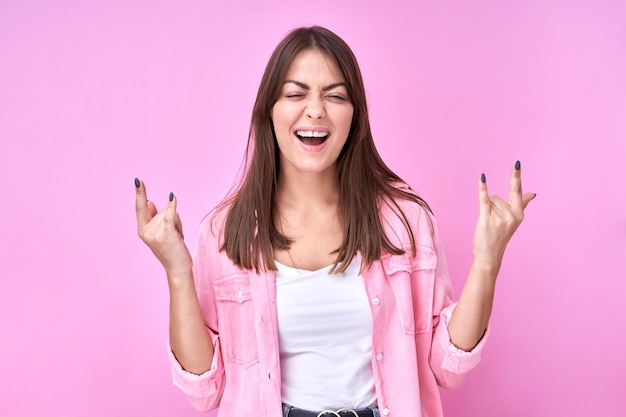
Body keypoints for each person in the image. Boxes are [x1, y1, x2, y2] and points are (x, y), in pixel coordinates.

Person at [134, 26, 534, 417]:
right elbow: (204, 391)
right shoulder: (223, 232)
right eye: (295, 93)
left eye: (335, 96)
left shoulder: (405, 221)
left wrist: (487, 261)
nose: (315, 110)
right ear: (268, 111)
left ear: (355, 115)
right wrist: (177, 271)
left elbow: (448, 367)